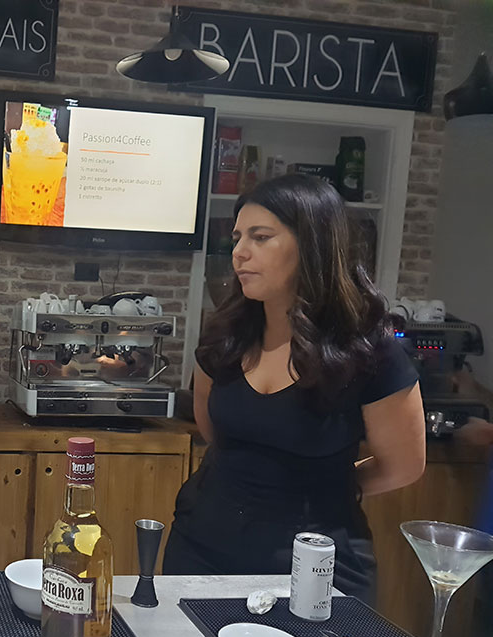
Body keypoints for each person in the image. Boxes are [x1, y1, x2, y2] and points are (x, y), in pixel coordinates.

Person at [163, 174, 425, 603]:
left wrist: (324, 485)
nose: (239, 252)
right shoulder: (224, 337)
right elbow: (212, 429)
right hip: (202, 548)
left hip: (314, 564)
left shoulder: (368, 351)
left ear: (313, 245)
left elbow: (404, 466)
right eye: (237, 238)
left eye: (261, 237)